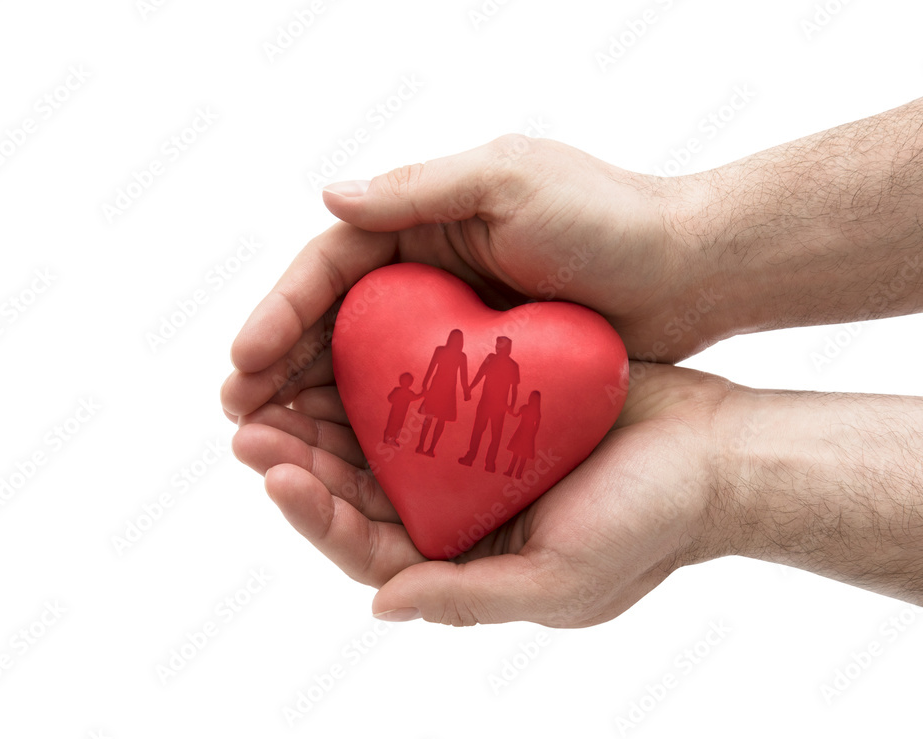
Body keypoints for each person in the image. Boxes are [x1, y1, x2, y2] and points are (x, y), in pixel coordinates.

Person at [222, 97, 923, 627]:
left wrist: (722, 475)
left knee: (477, 431)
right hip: (448, 401)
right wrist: (686, 253)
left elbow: (487, 386)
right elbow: (450, 378)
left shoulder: (517, 364)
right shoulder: (445, 344)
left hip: (482, 406)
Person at [458, 336, 519, 473]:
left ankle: (490, 462)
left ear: (508, 349)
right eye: (497, 345)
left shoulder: (512, 366)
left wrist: (511, 406)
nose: (498, 348)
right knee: (479, 431)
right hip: (486, 402)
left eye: (501, 346)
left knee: (495, 435)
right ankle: (471, 457)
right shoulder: (490, 358)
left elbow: (514, 388)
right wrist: (470, 388)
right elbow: (480, 374)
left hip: (499, 406)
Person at [415, 329, 469, 457]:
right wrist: (466, 391)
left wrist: (425, 383)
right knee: (439, 420)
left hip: (440, 387)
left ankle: (424, 447)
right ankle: (427, 448)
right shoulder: (460, 356)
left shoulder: (443, 351)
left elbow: (432, 368)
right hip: (445, 389)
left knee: (431, 418)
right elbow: (463, 378)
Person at [504, 390, 541, 479]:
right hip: (525, 432)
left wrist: (533, 435)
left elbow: (536, 425)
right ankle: (515, 473)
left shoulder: (527, 408)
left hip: (524, 432)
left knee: (519, 454)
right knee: (520, 454)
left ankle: (514, 472)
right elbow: (536, 426)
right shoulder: (532, 410)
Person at [383, 372, 423, 447]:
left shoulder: (405, 392)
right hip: (396, 412)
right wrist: (422, 394)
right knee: (392, 424)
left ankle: (392, 438)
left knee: (396, 425)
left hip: (400, 413)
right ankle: (387, 438)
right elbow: (390, 398)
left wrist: (422, 394)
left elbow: (414, 397)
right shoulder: (400, 391)